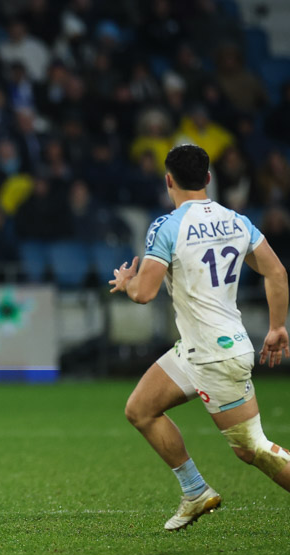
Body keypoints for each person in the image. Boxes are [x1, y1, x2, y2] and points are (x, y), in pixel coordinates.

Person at [109, 145, 290, 531]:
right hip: (198, 348)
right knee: (140, 409)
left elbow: (144, 294)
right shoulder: (237, 221)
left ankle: (197, 490)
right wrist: (277, 327)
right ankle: (195, 491)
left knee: (252, 448)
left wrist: (128, 282)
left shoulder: (167, 226)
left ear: (168, 180)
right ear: (208, 178)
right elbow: (276, 272)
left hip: (215, 355)